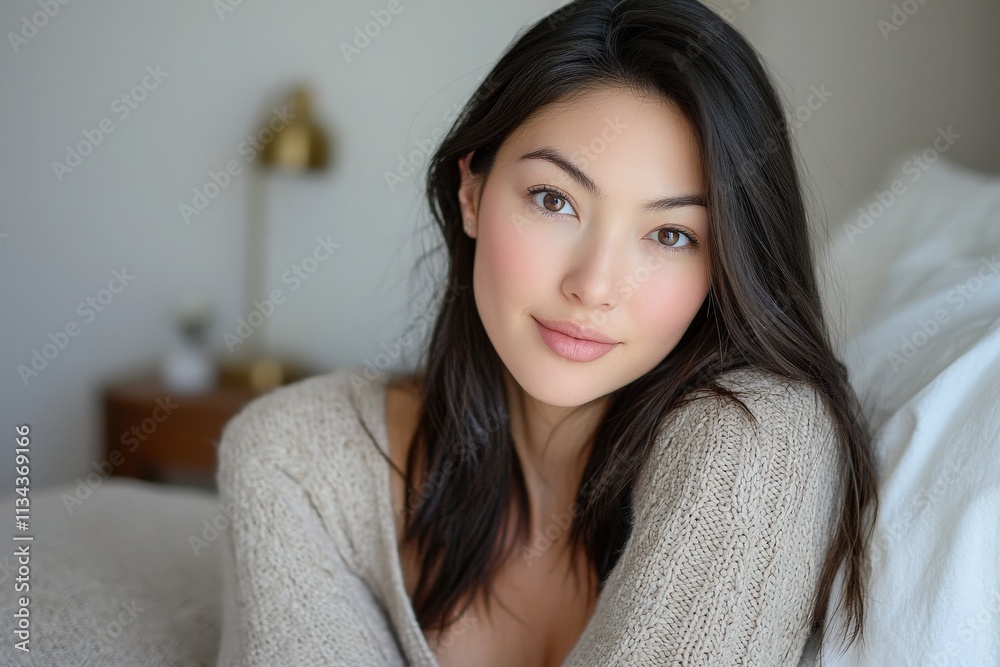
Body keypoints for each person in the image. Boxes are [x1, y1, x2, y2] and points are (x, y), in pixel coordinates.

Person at [214, 0, 880, 665]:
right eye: (554, 200)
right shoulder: (295, 458)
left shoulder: (756, 437)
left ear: (726, 264)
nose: (593, 285)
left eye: (671, 234)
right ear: (471, 191)